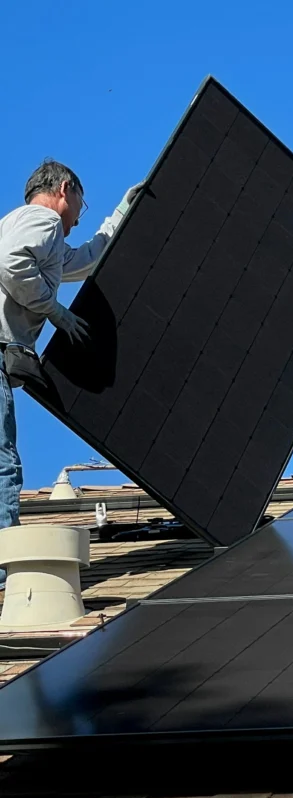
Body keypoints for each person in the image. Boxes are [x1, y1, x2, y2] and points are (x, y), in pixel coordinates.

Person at [0, 160, 143, 585]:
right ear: (65, 189)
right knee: (2, 462)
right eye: (81, 201)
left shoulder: (27, 227)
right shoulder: (42, 220)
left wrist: (120, 214)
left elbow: (83, 262)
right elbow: (10, 262)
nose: (79, 215)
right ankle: (7, 564)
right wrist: (54, 311)